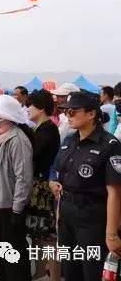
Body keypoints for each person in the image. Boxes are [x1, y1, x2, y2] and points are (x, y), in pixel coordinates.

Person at [50, 92, 121, 281]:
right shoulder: (69, 141)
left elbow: (114, 192)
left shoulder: (110, 145)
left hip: (92, 218)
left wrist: (111, 234)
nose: (67, 115)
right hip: (67, 214)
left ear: (91, 114)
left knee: (92, 272)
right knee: (70, 270)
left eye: (73, 111)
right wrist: (59, 215)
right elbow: (61, 181)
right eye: (66, 111)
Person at [0, 95, 33, 281]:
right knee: (0, 247)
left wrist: (18, 209)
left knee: (13, 251)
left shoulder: (17, 139)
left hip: (10, 204)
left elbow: (23, 177)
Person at [26, 89, 61, 281]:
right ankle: (40, 274)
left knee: (47, 238)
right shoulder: (40, 128)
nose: (27, 109)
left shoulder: (47, 129)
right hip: (37, 188)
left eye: (30, 105)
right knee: (39, 237)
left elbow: (31, 154)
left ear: (40, 108)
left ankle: (52, 276)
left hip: (43, 190)